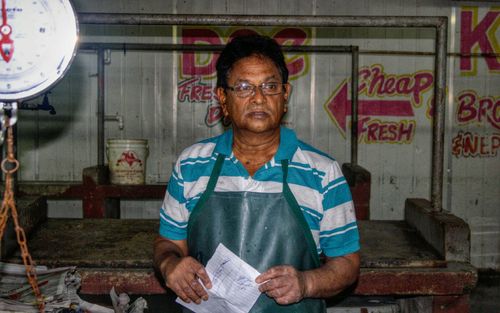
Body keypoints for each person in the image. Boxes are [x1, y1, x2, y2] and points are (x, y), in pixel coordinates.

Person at [153, 34, 360, 313]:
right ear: (223, 99)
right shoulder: (191, 165)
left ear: (285, 96)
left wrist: (306, 283)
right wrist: (170, 265)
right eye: (243, 87)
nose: (259, 98)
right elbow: (168, 243)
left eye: (270, 86)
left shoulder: (321, 172)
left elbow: (346, 263)